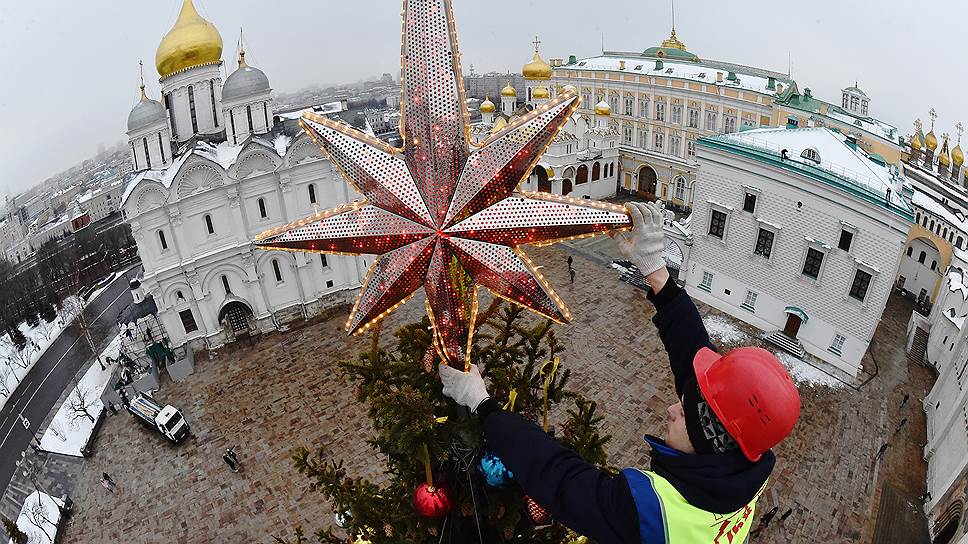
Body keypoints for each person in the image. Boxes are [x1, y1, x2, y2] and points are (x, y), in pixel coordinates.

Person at [440, 201, 801, 543]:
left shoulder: (650, 516)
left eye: (684, 414)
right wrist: (657, 273)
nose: (671, 409)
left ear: (710, 442)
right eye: (683, 402)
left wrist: (483, 405)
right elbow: (693, 354)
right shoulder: (749, 460)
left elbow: (560, 478)